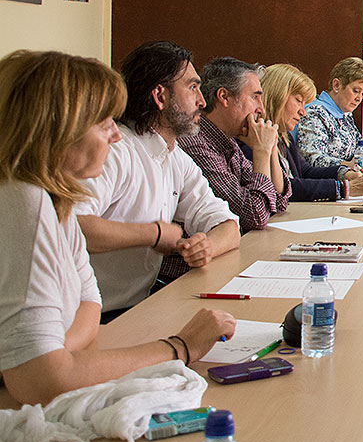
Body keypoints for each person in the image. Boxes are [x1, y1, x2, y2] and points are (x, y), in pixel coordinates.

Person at [0, 50, 235, 406]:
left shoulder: (59, 198)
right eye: (103, 122)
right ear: (60, 129)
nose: (114, 135)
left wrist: (55, 352)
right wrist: (180, 347)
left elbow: (89, 304)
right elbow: (42, 383)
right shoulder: (24, 202)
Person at [75, 41, 240, 318]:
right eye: (192, 88)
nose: (202, 101)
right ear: (160, 97)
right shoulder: (116, 152)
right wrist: (155, 234)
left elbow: (227, 225)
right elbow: (73, 226)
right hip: (97, 315)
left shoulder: (175, 157)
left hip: (139, 305)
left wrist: (206, 246)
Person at [177, 58, 291, 232]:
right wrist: (261, 151)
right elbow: (255, 216)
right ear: (224, 97)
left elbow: (278, 203)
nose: (261, 109)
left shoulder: (228, 142)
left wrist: (271, 148)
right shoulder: (195, 144)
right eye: (255, 97)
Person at [258, 63, 363, 202]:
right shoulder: (255, 142)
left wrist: (345, 173)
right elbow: (285, 188)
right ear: (277, 97)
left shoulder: (282, 136)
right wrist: (344, 187)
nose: (302, 112)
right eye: (298, 101)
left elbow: (305, 171)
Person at [294, 57, 363, 174]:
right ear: (336, 85)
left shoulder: (345, 113)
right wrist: (349, 165)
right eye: (356, 91)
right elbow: (313, 160)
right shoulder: (314, 113)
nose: (359, 99)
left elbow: (360, 145)